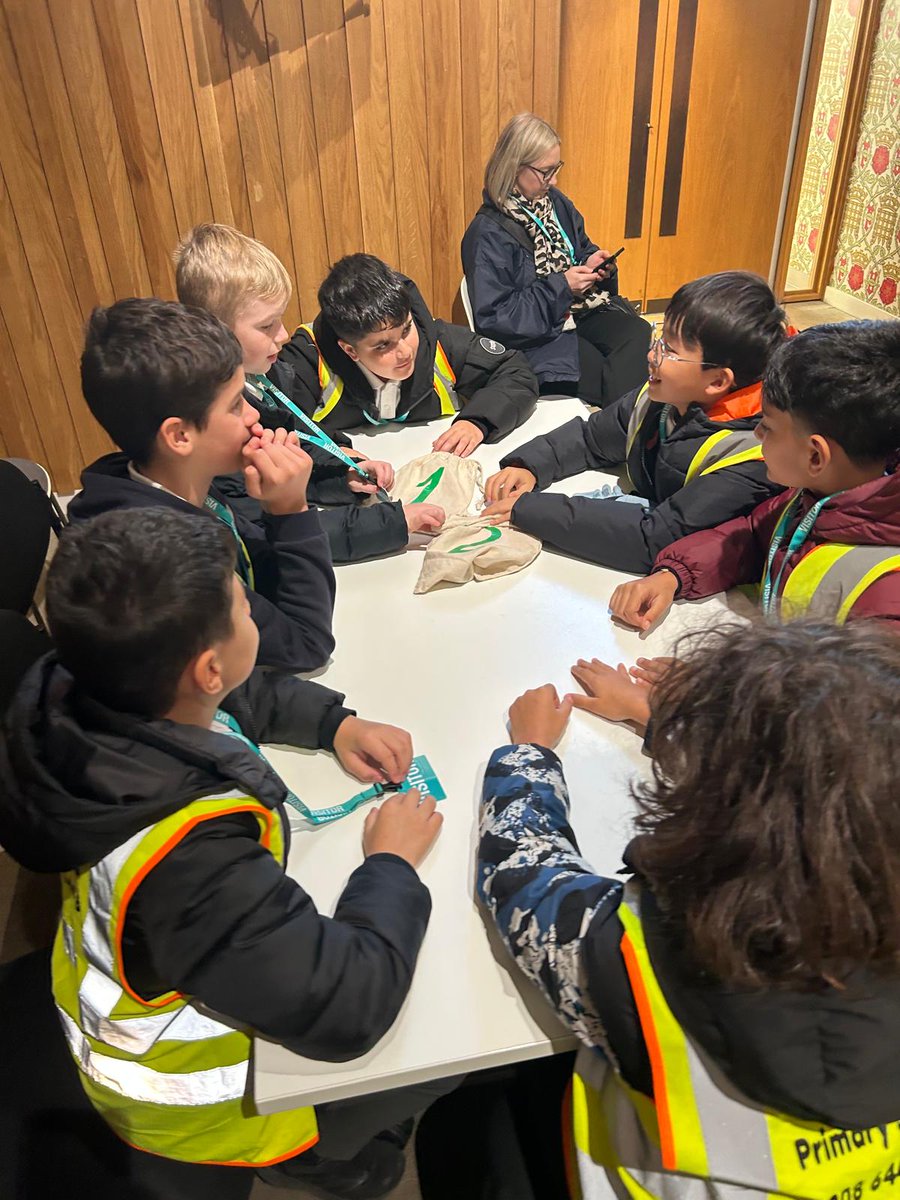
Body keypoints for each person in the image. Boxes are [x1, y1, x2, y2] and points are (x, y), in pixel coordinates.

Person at [0, 508, 449, 1199]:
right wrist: (388, 867)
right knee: (442, 1045)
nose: (253, 619)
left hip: (151, 961)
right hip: (196, 1104)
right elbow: (347, 1004)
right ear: (207, 667)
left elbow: (237, 696)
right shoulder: (191, 858)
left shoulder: (80, 686)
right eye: (245, 609)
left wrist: (332, 721)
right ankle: (314, 1159)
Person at [418, 620, 900, 1199]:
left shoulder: (646, 955)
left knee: (459, 1122)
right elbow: (830, 794)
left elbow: (523, 880)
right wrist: (663, 721)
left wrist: (529, 754)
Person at [67, 298, 336, 673]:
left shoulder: (184, 483)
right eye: (235, 405)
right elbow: (306, 645)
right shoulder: (162, 563)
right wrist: (290, 511)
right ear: (179, 436)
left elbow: (266, 583)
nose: (253, 414)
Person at [482, 271, 788, 574]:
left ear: (718, 381)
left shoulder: (755, 455)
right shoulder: (662, 397)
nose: (651, 355)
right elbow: (593, 438)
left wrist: (531, 510)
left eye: (670, 350)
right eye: (660, 338)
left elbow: (653, 539)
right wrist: (531, 465)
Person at [174, 223, 446, 560]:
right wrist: (391, 523)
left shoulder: (267, 376)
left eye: (281, 319)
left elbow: (299, 450)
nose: (285, 334)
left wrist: (342, 474)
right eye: (266, 326)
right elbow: (267, 531)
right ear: (215, 330)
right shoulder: (214, 426)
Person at [608, 320, 900, 630]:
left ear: (815, 456)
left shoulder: (886, 598)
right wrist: (675, 575)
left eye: (769, 426)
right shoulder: (822, 494)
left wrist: (707, 680)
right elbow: (751, 534)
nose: (757, 433)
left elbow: (851, 679)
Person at [461, 112, 650, 406]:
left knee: (638, 333)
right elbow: (496, 319)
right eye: (546, 171)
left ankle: (625, 428)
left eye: (556, 168)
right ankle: (624, 432)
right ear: (514, 167)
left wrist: (594, 264)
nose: (554, 179)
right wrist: (562, 286)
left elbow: (580, 246)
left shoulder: (555, 203)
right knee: (604, 371)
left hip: (579, 311)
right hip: (536, 336)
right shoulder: (487, 234)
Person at [277, 253, 538, 456]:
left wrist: (478, 422)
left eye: (406, 330)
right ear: (350, 350)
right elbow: (276, 423)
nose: (404, 351)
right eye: (382, 346)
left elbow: (515, 371)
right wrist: (334, 455)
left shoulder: (440, 342)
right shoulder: (308, 358)